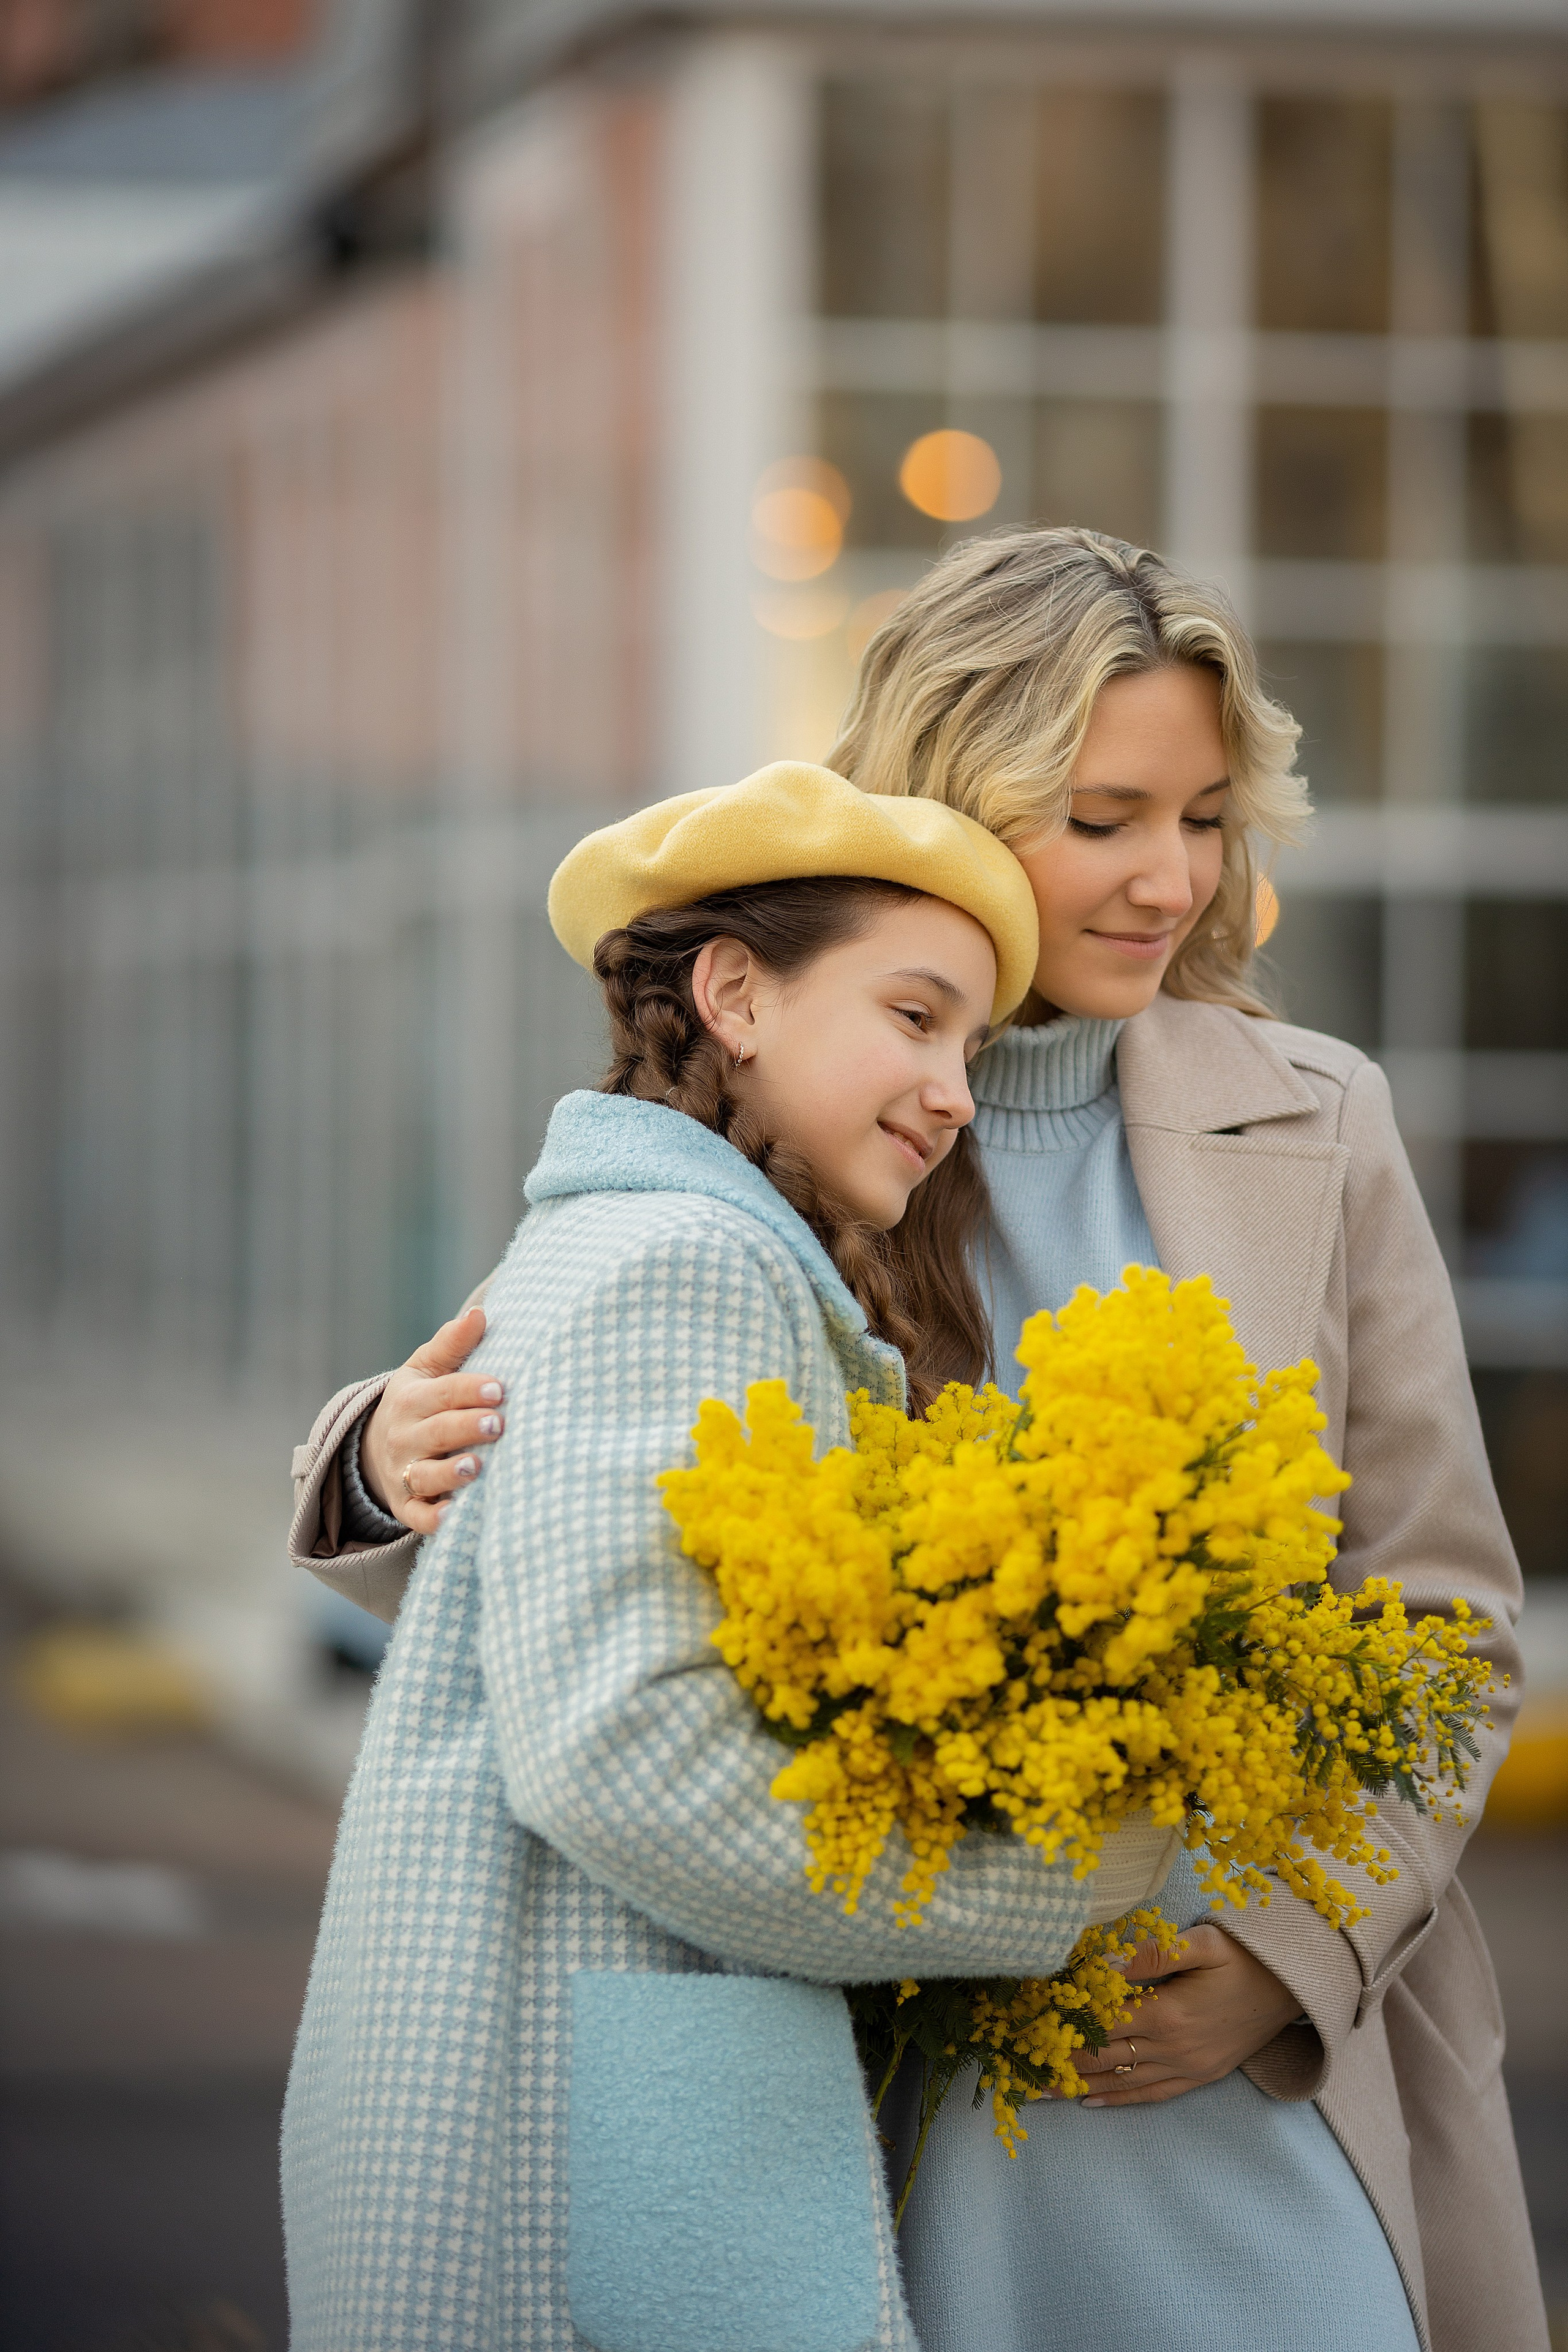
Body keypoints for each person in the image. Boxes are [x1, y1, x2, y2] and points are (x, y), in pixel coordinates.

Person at [289, 530, 1545, 2352]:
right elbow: (581, 1547)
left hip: (1254, 2079)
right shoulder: (792, 1126)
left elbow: (1441, 1612)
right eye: (1104, 817)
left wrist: (1288, 1962)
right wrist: (377, 1450)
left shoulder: (1321, 1123)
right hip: (887, 2077)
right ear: (953, 803)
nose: (1168, 880)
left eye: (1203, 817)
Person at [281, 763, 1181, 2351]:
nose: (958, 1087)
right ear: (736, 995)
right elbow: (623, 1751)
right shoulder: (686, 1264)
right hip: (577, 2133)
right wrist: (1040, 1885)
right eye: (916, 1018)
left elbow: (534, 1604)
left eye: (970, 1042)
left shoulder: (661, 1240)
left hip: (568, 2095)